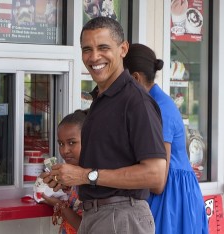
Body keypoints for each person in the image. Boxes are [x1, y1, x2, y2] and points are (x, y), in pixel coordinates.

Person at [42, 17, 167, 234]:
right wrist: (68, 177)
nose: (94, 57)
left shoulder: (136, 101)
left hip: (121, 218)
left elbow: (155, 175)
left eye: (103, 47)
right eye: (87, 49)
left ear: (123, 49)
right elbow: (106, 165)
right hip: (98, 216)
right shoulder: (103, 99)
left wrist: (84, 176)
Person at [123, 43, 209, 234]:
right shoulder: (152, 103)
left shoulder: (158, 108)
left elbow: (158, 181)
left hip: (171, 196)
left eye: (122, 81)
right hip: (174, 192)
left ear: (135, 78)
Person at [42, 109, 87, 234]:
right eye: (61, 143)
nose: (65, 150)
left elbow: (86, 228)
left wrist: (60, 205)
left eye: (72, 142)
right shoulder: (71, 176)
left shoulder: (92, 177)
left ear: (88, 140)